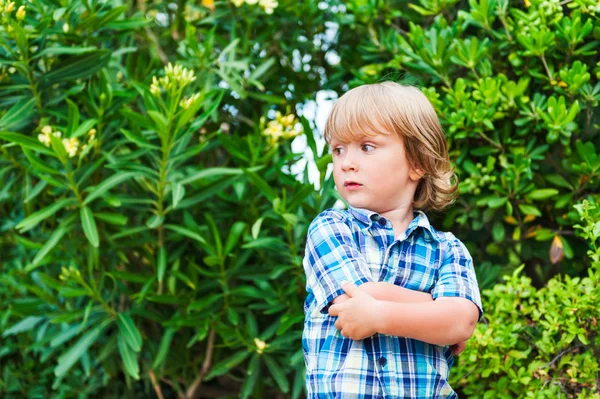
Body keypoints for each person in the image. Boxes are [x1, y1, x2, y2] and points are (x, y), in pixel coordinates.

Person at [301, 81, 483, 398]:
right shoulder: (330, 228)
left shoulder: (447, 249)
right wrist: (439, 310)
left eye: (367, 147)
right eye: (338, 149)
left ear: (417, 162)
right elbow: (354, 301)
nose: (346, 162)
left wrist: (380, 314)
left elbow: (462, 322)